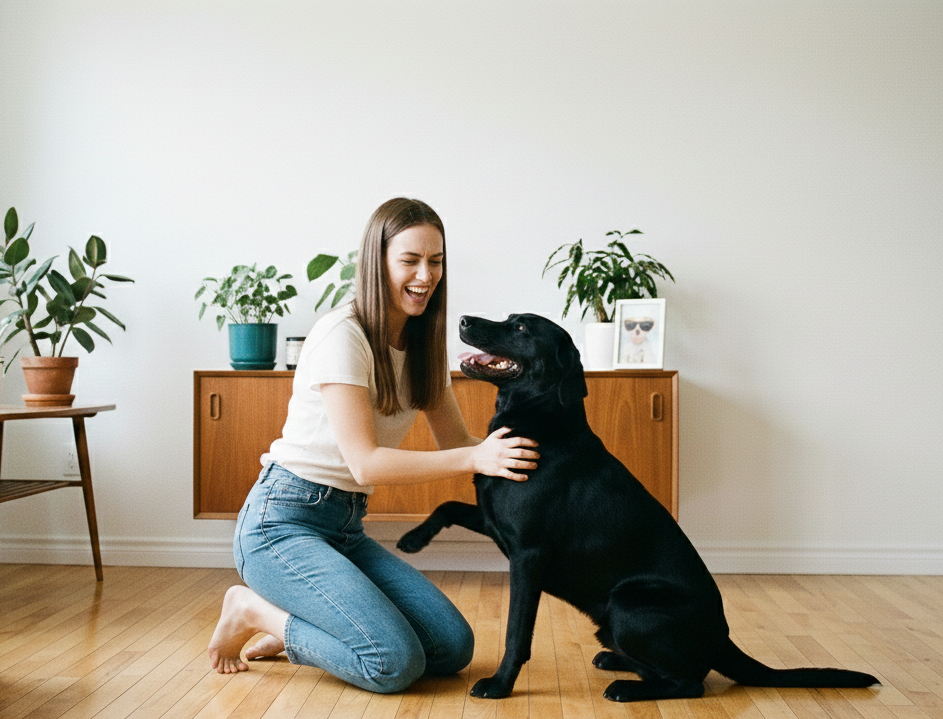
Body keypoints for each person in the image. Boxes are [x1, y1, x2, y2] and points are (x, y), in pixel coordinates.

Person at [207, 198, 539, 694]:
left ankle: (311, 623)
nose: (426, 275)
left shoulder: (424, 342)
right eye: (410, 260)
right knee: (392, 663)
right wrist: (475, 456)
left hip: (343, 527)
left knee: (452, 648)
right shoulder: (343, 335)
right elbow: (365, 463)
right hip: (280, 524)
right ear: (377, 260)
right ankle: (254, 609)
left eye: (436, 261)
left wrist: (529, 454)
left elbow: (460, 441)